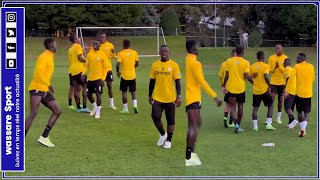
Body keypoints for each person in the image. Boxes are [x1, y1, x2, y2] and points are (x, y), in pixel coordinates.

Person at [185, 40, 222, 166]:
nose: (198, 49)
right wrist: (215, 96)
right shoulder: (195, 63)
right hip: (192, 98)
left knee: (197, 123)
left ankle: (191, 149)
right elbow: (201, 81)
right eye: (197, 48)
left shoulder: (186, 60)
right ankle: (189, 156)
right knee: (193, 126)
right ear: (194, 50)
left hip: (191, 97)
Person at [25, 38, 62, 147]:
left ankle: (44, 137)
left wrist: (47, 85)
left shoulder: (50, 56)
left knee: (57, 111)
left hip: (44, 89)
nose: (56, 46)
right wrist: (49, 84)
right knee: (33, 114)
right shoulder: (44, 57)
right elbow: (38, 73)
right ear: (51, 46)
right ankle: (19, 142)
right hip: (37, 88)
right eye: (55, 44)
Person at [148, 45, 181, 149]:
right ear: (159, 52)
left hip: (170, 98)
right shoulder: (155, 65)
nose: (164, 52)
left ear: (169, 52)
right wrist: (150, 95)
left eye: (166, 51)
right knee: (155, 116)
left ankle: (169, 140)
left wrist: (178, 96)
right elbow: (152, 81)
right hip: (157, 97)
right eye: (162, 51)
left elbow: (178, 82)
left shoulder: (174, 65)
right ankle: (163, 134)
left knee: (170, 120)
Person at [222, 45, 257, 133]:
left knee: (233, 107)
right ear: (243, 52)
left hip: (231, 87)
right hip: (241, 88)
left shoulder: (229, 61)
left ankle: (235, 124)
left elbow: (227, 75)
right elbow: (246, 76)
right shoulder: (246, 62)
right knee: (240, 106)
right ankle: (238, 125)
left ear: (236, 51)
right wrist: (252, 79)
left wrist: (224, 85)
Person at [284, 53, 314, 137]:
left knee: (299, 111)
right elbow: (313, 79)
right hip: (308, 93)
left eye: (297, 58)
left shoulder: (296, 67)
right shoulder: (311, 66)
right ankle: (303, 129)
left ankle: (302, 129)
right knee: (307, 113)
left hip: (299, 93)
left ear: (301, 59)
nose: (296, 60)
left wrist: (287, 91)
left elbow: (290, 79)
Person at [83, 40, 109, 119]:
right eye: (93, 43)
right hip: (91, 78)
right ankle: (95, 107)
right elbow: (87, 65)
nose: (94, 45)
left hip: (99, 78)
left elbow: (106, 67)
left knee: (98, 94)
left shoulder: (102, 55)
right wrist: (83, 73)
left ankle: (98, 111)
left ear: (100, 45)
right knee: (88, 94)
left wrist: (103, 79)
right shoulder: (90, 54)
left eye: (96, 43)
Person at [250, 51, 275, 131]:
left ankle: (255, 127)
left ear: (257, 57)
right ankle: (268, 124)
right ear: (263, 57)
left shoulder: (252, 66)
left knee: (255, 108)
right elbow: (266, 76)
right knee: (270, 106)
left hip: (256, 91)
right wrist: (269, 86)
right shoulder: (265, 66)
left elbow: (249, 77)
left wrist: (253, 83)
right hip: (265, 90)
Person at [68, 34, 91, 113]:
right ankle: (84, 107)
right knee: (84, 87)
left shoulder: (70, 49)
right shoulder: (77, 46)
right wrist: (87, 61)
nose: (80, 39)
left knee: (76, 89)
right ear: (75, 39)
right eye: (78, 38)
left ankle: (78, 107)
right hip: (80, 70)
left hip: (72, 71)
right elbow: (80, 58)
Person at [116, 40, 139, 114]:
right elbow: (137, 63)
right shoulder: (134, 52)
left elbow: (118, 64)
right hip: (132, 75)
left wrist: (118, 71)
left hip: (124, 76)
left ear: (123, 45)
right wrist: (133, 67)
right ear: (129, 45)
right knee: (133, 91)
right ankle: (135, 105)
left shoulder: (120, 53)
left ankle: (125, 108)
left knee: (124, 92)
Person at [267, 43, 288, 124]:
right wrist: (274, 67)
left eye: (278, 48)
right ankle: (269, 118)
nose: (276, 50)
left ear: (282, 49)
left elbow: (287, 70)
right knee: (271, 99)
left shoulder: (285, 58)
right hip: (274, 82)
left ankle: (278, 117)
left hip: (282, 83)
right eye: (276, 48)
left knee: (280, 100)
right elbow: (268, 70)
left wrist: (280, 67)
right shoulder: (271, 58)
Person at [97, 31, 117, 109]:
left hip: (108, 69)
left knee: (110, 86)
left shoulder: (110, 45)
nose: (102, 39)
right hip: (100, 70)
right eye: (101, 37)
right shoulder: (97, 45)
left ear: (106, 38)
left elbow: (113, 57)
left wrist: (113, 53)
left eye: (104, 37)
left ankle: (111, 104)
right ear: (99, 37)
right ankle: (99, 104)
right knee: (100, 86)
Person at [219, 49, 236, 128]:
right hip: (234, 87)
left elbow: (220, 75)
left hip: (226, 87)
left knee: (227, 104)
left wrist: (223, 85)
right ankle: (231, 121)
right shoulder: (235, 64)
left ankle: (225, 117)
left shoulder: (224, 63)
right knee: (233, 104)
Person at [283, 58, 298, 129]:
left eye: (283, 63)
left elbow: (288, 79)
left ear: (285, 63)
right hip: (295, 89)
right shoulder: (292, 69)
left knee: (287, 107)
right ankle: (290, 123)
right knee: (291, 106)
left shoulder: (286, 69)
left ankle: (293, 120)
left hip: (290, 90)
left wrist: (286, 91)